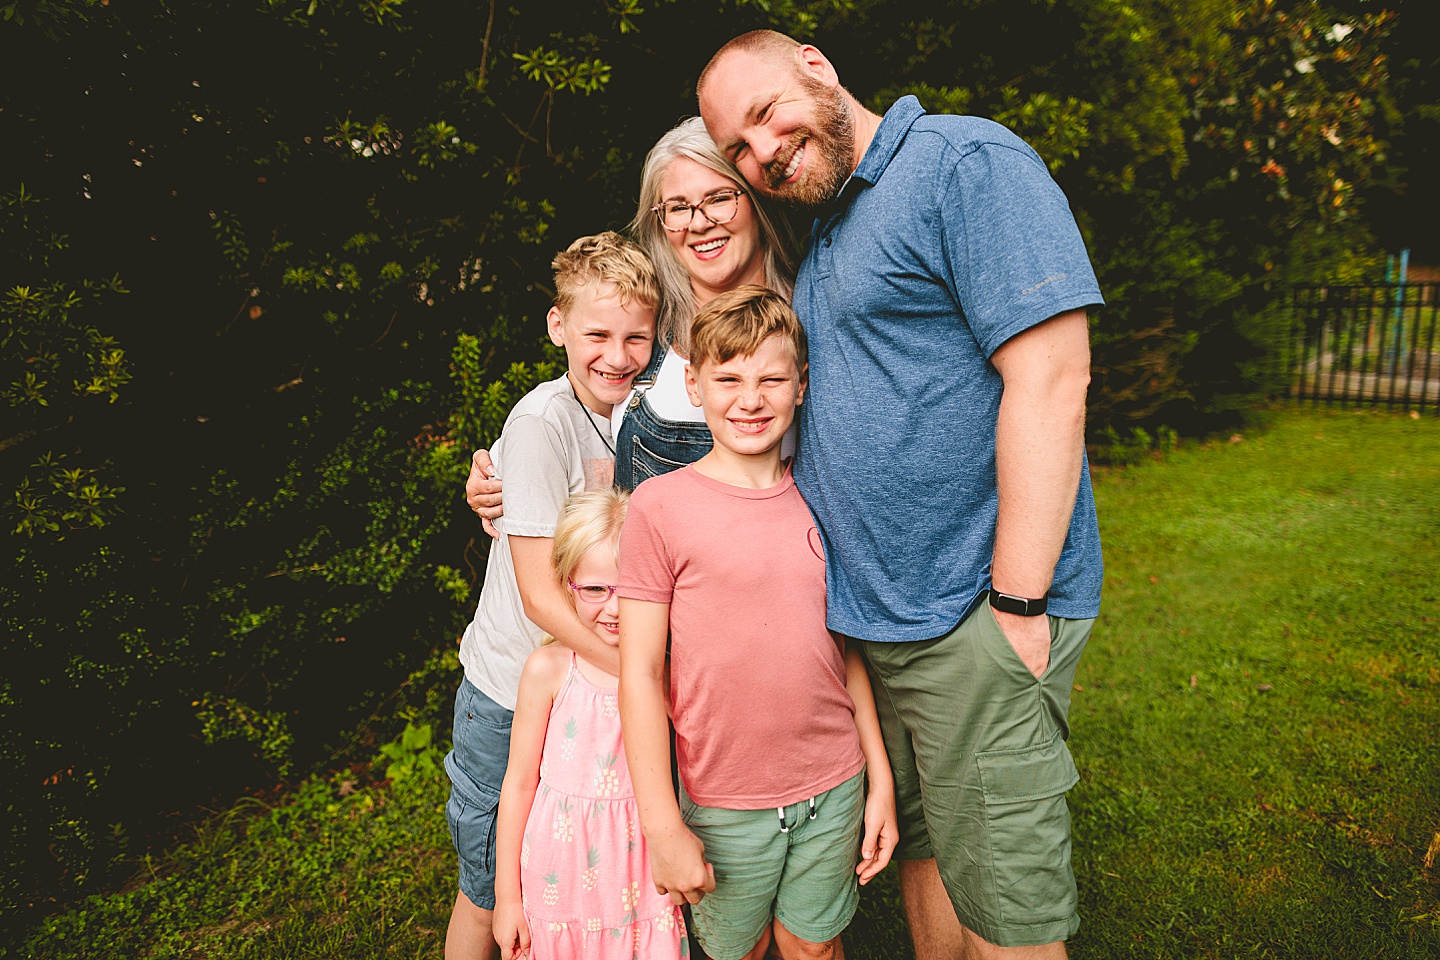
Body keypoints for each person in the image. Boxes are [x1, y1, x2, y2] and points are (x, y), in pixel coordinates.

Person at [696, 30, 1104, 960]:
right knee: (929, 848)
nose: (761, 152)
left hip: (974, 611)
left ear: (817, 64)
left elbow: (1052, 373)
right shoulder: (830, 226)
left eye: (764, 115)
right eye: (739, 149)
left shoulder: (962, 162)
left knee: (1010, 908)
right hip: (883, 625)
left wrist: (1018, 601)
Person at [617, 287, 898, 960]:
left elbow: (845, 651)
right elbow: (637, 674)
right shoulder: (659, 508)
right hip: (723, 799)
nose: (751, 398)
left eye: (772, 378)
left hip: (834, 783)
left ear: (801, 386)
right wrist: (662, 825)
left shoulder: (820, 496)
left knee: (812, 947)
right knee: (735, 950)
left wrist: (880, 780)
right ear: (694, 384)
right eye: (729, 378)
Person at [444, 232, 658, 960]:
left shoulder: (636, 414)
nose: (617, 354)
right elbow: (540, 596)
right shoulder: (540, 424)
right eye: (596, 333)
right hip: (512, 692)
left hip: (583, 689)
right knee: (489, 886)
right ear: (557, 326)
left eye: (636, 335)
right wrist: (638, 679)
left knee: (566, 876)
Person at [464, 117, 798, 508]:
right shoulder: (648, 321)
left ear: (755, 198)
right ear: (660, 221)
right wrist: (504, 464)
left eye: (719, 198)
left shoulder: (811, 314)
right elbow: (582, 393)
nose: (700, 223)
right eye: (678, 207)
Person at [491, 489, 687, 960]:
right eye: (596, 589)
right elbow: (518, 786)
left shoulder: (667, 673)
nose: (615, 609)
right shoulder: (549, 670)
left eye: (630, 589)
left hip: (638, 869)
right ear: (566, 585)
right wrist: (507, 899)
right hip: (557, 874)